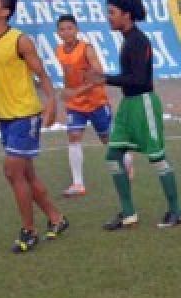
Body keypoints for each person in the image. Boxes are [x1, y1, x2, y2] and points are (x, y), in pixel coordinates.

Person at [0, 0, 68, 253]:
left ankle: (28, 232)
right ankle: (57, 218)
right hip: (5, 116)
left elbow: (42, 74)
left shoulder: (20, 41)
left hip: (25, 114)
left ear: (5, 12)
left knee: (12, 171)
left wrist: (52, 103)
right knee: (27, 175)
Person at [93, 0, 181, 230]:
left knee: (157, 157)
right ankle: (128, 213)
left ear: (127, 14)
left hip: (143, 103)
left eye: (112, 13)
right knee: (113, 156)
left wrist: (104, 79)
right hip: (128, 105)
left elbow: (140, 80)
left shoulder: (139, 41)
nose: (108, 17)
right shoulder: (128, 40)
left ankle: (176, 211)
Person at [53, 14, 131, 197]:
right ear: (58, 33)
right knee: (73, 136)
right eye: (62, 29)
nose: (66, 32)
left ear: (76, 30)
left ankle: (127, 160)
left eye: (69, 28)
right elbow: (68, 75)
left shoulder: (86, 49)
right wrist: (68, 94)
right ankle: (78, 183)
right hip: (76, 104)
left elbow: (99, 76)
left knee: (107, 140)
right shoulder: (59, 51)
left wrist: (76, 92)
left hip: (96, 102)